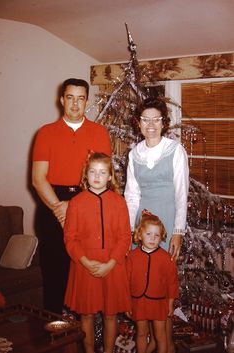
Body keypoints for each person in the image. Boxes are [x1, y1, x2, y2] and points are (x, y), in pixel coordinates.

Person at [32, 78, 111, 314]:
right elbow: (38, 179)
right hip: (51, 203)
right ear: (61, 100)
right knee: (54, 273)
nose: (75, 104)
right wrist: (60, 207)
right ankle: (54, 328)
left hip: (87, 199)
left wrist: (74, 207)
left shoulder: (99, 133)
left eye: (80, 98)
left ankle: (83, 331)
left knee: (83, 273)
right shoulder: (45, 133)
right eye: (70, 97)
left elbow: (101, 176)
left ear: (86, 101)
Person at [124, 97, 189, 353]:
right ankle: (151, 341)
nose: (150, 124)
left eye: (156, 119)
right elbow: (131, 196)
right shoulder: (134, 154)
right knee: (143, 281)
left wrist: (178, 232)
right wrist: (130, 232)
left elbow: (181, 193)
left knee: (161, 284)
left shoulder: (174, 150)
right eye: (145, 119)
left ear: (164, 123)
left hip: (166, 220)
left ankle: (166, 343)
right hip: (142, 226)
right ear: (138, 123)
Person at [64, 152, 131, 353]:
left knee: (111, 315)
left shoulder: (119, 202)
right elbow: (70, 238)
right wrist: (84, 261)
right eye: (93, 171)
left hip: (112, 264)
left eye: (102, 172)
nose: (97, 176)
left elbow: (125, 237)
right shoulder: (76, 202)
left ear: (110, 176)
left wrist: (110, 263)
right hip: (84, 265)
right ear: (86, 174)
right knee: (86, 314)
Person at [126, 210, 179, 353]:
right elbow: (126, 282)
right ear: (139, 235)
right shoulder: (131, 257)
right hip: (138, 301)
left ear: (161, 237)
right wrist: (127, 303)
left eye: (156, 235)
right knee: (141, 333)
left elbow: (172, 282)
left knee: (160, 335)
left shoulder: (166, 258)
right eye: (148, 234)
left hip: (159, 302)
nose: (152, 238)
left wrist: (170, 303)